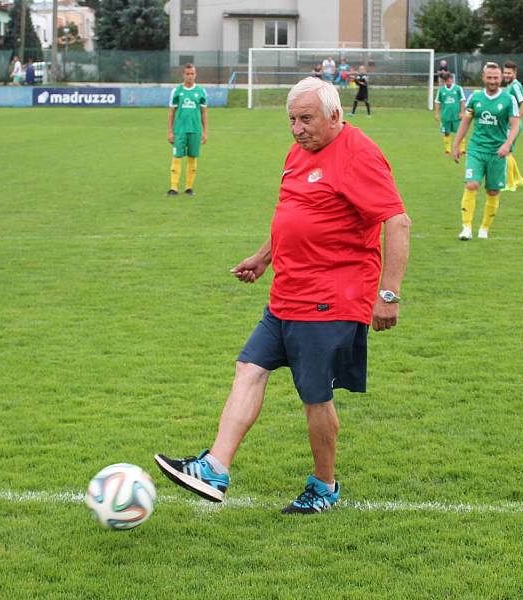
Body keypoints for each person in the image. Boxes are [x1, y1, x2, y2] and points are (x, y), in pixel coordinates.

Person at [155, 77, 411, 514]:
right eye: (291, 119)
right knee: (249, 367)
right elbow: (295, 214)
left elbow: (397, 222)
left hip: (331, 295)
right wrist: (263, 257)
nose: (297, 128)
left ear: (334, 115)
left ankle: (324, 485)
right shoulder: (300, 151)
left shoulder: (359, 155)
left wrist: (389, 293)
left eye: (306, 119)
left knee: (315, 395)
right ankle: (215, 467)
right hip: (288, 289)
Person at [452, 62, 520, 241]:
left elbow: (515, 125)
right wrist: (456, 144)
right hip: (476, 149)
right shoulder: (475, 98)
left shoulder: (508, 99)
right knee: (471, 184)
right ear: (483, 78)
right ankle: (466, 228)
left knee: (492, 192)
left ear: (501, 79)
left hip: (497, 152)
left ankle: (484, 229)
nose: (492, 81)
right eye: (489, 77)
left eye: (496, 78)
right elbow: (465, 122)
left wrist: (507, 144)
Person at [167, 63, 208, 196]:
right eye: (187, 74)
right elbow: (171, 112)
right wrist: (170, 131)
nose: (190, 76)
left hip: (195, 130)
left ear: (195, 75)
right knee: (176, 157)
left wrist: (205, 131)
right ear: (183, 75)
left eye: (192, 74)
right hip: (180, 131)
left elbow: (203, 113)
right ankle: (173, 187)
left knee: (192, 158)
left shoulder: (201, 91)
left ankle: (189, 188)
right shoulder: (176, 91)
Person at [502, 60, 523, 191]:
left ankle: (509, 184)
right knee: (508, 152)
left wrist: (516, 121)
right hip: (510, 124)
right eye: (505, 72)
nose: (506, 75)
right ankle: (518, 179)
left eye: (509, 73)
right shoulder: (510, 85)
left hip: (512, 125)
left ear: (515, 73)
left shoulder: (515, 86)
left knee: (505, 152)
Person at [434, 72, 466, 155]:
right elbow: (437, 102)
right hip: (445, 116)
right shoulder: (441, 90)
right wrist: (437, 113)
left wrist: (462, 112)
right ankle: (447, 149)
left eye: (450, 79)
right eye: (446, 80)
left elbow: (462, 100)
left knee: (460, 131)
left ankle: (462, 149)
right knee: (446, 132)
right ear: (445, 81)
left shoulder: (458, 89)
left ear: (452, 79)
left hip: (456, 116)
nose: (448, 81)